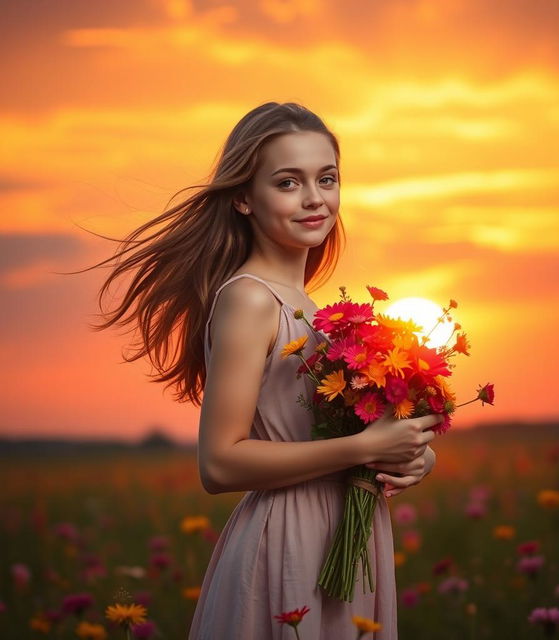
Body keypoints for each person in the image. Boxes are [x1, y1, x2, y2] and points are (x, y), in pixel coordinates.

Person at [84, 101, 440, 639]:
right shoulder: (250, 301)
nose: (315, 198)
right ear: (245, 199)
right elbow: (220, 464)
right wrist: (366, 449)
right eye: (288, 182)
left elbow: (342, 434)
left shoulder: (315, 311)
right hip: (289, 541)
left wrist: (413, 455)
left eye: (327, 178)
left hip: (347, 532)